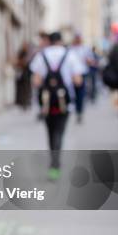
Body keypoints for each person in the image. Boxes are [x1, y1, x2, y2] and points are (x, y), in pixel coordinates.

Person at [30, 32, 84, 181]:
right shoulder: (70, 55)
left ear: (50, 41)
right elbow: (78, 80)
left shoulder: (41, 56)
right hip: (64, 102)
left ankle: (53, 159)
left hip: (47, 102)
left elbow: (36, 81)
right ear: (60, 41)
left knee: (50, 130)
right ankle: (55, 163)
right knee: (59, 131)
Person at [69, 34, 92, 123]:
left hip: (81, 73)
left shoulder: (85, 49)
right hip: (72, 74)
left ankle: (79, 111)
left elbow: (90, 60)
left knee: (80, 94)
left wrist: (87, 61)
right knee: (72, 93)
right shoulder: (71, 49)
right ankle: (75, 109)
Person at [14, 41, 34, 110]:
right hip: (22, 74)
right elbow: (18, 62)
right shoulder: (22, 53)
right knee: (22, 89)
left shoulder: (29, 54)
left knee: (27, 89)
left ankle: (27, 102)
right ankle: (22, 102)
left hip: (27, 74)